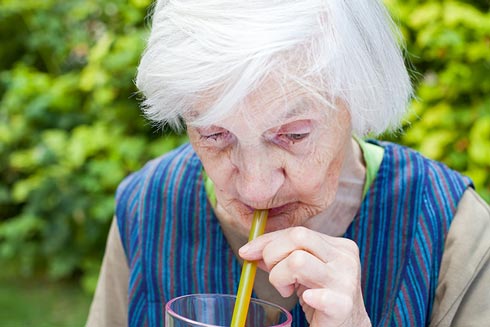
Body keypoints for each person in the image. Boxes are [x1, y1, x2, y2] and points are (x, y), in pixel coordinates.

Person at [86, 0, 490, 326]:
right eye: (215, 135)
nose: (255, 187)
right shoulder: (147, 205)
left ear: (357, 99)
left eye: (293, 134)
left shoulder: (455, 228)